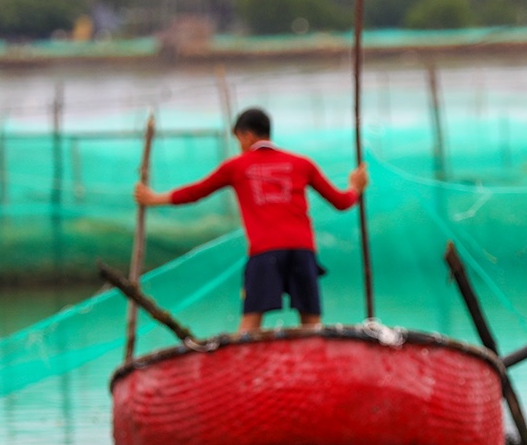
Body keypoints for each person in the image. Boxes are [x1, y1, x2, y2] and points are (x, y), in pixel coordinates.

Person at [134, 107, 367, 333]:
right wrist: (355, 188)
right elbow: (342, 202)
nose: (240, 147)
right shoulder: (302, 163)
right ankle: (313, 368)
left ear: (246, 135)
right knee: (312, 326)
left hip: (264, 253)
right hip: (302, 250)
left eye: (239, 140)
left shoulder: (236, 167)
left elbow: (196, 192)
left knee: (249, 326)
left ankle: (242, 369)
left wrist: (154, 198)